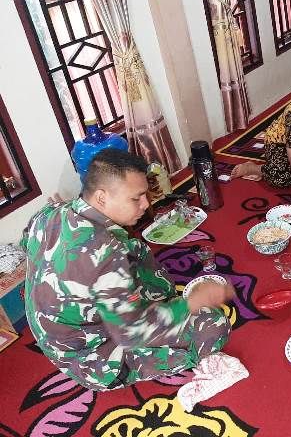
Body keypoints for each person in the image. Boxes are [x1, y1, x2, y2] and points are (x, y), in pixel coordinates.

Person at [22, 149, 235, 391]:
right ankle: (126, 371)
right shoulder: (104, 251)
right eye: (136, 198)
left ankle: (142, 304)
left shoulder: (50, 212)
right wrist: (193, 303)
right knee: (212, 324)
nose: (146, 204)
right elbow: (132, 334)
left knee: (134, 248)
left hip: (59, 331)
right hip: (92, 356)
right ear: (101, 197)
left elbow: (26, 240)